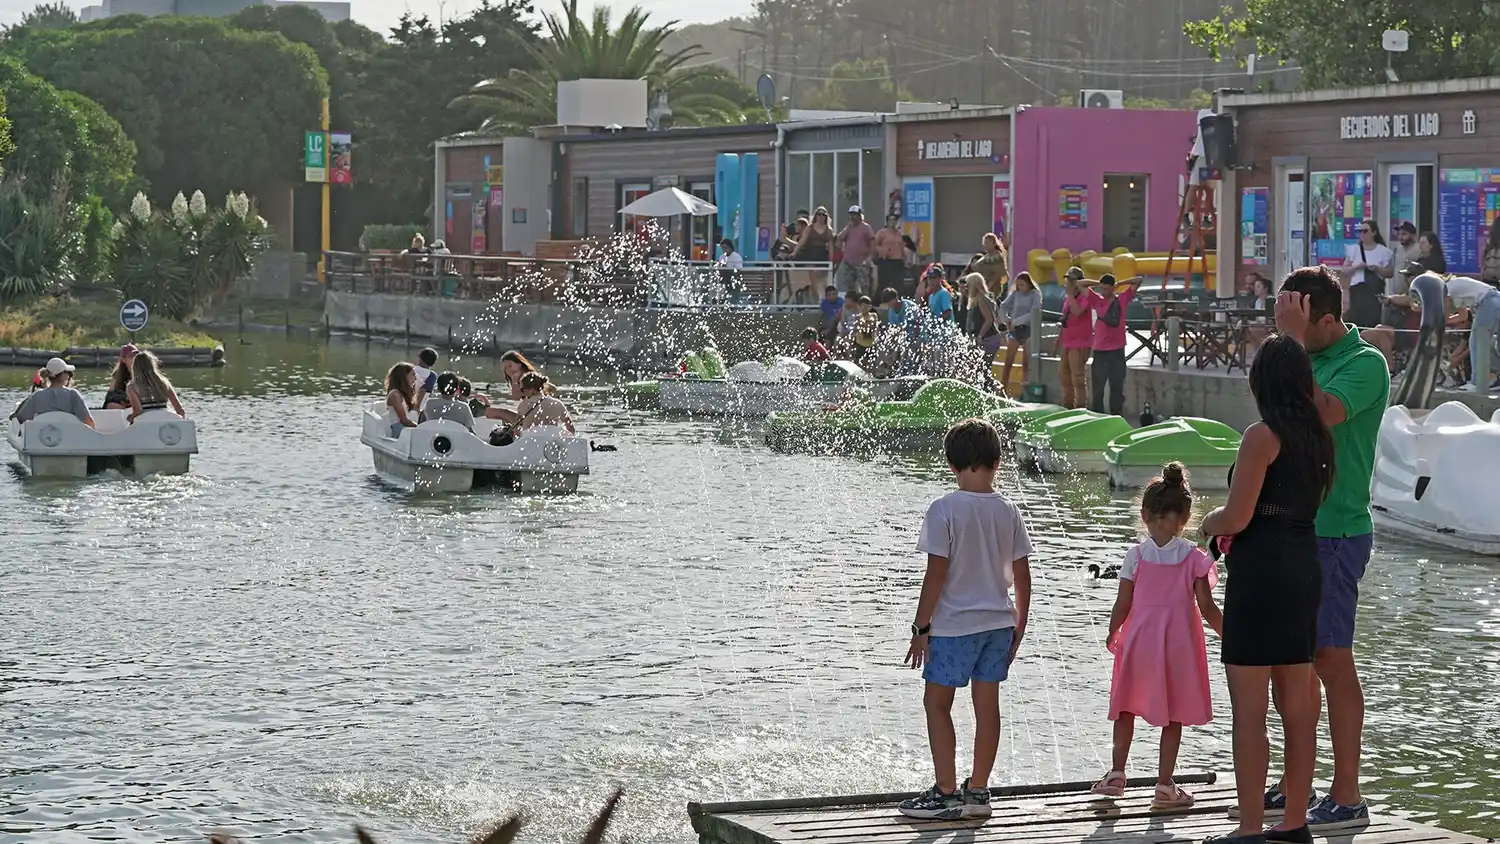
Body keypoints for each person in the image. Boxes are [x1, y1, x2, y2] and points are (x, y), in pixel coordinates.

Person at [1259, 266, 1389, 831]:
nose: (1290, 332)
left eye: (1299, 322)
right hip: (1287, 525)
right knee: (1290, 664)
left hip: (1335, 530)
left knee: (1331, 659)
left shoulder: (1365, 365)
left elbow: (1323, 415)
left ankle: (1347, 792)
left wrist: (1287, 344)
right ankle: (1296, 783)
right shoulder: (1301, 356)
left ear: (1329, 319)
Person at [1199, 333, 1335, 843]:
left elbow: (1238, 515)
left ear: (1261, 382)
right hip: (1304, 567)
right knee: (1299, 708)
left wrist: (1208, 523)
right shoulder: (1318, 436)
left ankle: (1251, 827)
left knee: (1250, 712)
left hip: (1261, 574)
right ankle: (1295, 820)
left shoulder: (1261, 435)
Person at [898, 419, 1032, 821]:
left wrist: (921, 628)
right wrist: (1019, 624)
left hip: (955, 627)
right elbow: (1022, 575)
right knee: (987, 707)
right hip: (998, 625)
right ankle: (978, 794)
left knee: (937, 703)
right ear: (997, 461)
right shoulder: (1008, 510)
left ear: (952, 464)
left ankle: (944, 791)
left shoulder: (944, 509)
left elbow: (936, 573)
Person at [1092, 463, 1223, 810]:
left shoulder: (1135, 556)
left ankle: (1117, 774)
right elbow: (1207, 608)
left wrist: (1112, 631)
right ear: (1186, 517)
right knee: (1173, 714)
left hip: (1138, 643)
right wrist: (1231, 635)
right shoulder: (1194, 558)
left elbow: (1123, 604)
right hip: (1179, 646)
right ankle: (1165, 786)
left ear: (1145, 514)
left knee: (1125, 707)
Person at [1088, 273, 1145, 417]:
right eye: (1102, 289)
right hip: (1100, 352)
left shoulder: (1122, 299)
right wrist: (1097, 282)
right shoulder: (1097, 300)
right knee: (1098, 388)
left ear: (1112, 289)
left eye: (1107, 289)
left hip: (1117, 351)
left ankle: (1116, 414)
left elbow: (1138, 280)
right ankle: (1097, 416)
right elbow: (1080, 284)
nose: (1103, 292)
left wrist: (1120, 283)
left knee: (1117, 387)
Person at [11, 358, 93, 426]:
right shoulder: (73, 394)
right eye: (68, 373)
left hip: (43, 439)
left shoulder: (37, 395)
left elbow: (21, 418)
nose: (69, 375)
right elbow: (88, 421)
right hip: (70, 439)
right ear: (63, 375)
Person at [1341, 220, 1391, 328]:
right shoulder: (1354, 250)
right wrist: (1357, 266)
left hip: (1374, 291)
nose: (1362, 234)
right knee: (1356, 319)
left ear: (1374, 232)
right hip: (1357, 290)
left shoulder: (1383, 251)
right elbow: (1344, 270)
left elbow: (1390, 273)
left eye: (1365, 231)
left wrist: (1377, 269)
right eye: (1360, 231)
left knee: (1372, 320)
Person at [1057, 267, 1094, 409]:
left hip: (1080, 343)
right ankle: (1067, 404)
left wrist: (1071, 296)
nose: (1069, 283)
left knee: (1077, 377)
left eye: (1072, 280)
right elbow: (1065, 319)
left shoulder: (1086, 295)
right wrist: (1057, 343)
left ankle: (1080, 406)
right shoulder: (1068, 299)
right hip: (1067, 342)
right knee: (1064, 376)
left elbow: (1078, 312)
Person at [998, 272, 1041, 389]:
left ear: (1028, 284)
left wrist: (1016, 321)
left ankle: (1024, 389)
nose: (1020, 287)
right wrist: (1006, 320)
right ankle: (1003, 388)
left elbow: (1033, 313)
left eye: (1022, 285)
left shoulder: (1035, 294)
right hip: (1015, 331)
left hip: (1028, 330)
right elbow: (1003, 306)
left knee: (1026, 363)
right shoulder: (1016, 294)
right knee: (1008, 362)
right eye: (1018, 285)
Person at [127, 350, 186, 422]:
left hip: (146, 422)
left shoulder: (132, 386)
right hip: (165, 419)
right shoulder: (164, 382)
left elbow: (138, 411)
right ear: (152, 365)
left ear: (135, 367)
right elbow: (179, 409)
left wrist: (129, 418)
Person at [792, 207, 835, 303]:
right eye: (819, 214)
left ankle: (823, 299)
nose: (821, 216)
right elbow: (802, 241)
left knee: (821, 279)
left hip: (822, 255)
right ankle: (817, 300)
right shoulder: (810, 228)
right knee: (813, 277)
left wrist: (831, 261)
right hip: (810, 254)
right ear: (815, 216)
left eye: (823, 214)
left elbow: (831, 246)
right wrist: (795, 251)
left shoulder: (828, 230)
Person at [963, 273, 1004, 365]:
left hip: (988, 338)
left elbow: (989, 319)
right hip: (984, 338)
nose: (966, 287)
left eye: (968, 284)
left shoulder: (981, 300)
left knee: (983, 368)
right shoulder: (975, 300)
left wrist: (980, 336)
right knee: (978, 368)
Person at [833, 205, 875, 294]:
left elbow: (872, 242)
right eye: (851, 214)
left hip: (861, 261)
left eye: (855, 214)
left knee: (864, 285)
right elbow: (839, 238)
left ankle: (865, 303)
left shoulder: (866, 227)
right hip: (848, 261)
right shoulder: (849, 227)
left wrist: (869, 257)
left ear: (860, 215)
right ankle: (852, 303)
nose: (852, 217)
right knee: (849, 285)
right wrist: (848, 228)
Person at [1382, 222, 1420, 296]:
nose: (1400, 237)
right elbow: (1391, 272)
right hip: (1398, 294)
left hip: (1413, 295)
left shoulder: (1419, 250)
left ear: (1413, 235)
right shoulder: (1398, 250)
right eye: (1399, 234)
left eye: (1404, 234)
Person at [384, 362, 420, 436]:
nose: (415, 378)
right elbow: (404, 420)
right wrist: (420, 428)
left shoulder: (402, 394)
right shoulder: (395, 395)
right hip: (399, 429)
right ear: (404, 377)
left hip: (404, 428)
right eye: (413, 375)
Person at [874, 215, 907, 291]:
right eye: (890, 220)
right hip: (887, 261)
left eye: (894, 220)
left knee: (898, 284)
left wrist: (905, 259)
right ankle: (879, 301)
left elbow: (901, 248)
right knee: (884, 284)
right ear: (887, 222)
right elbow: (874, 245)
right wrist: (883, 250)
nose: (892, 222)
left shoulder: (898, 234)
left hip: (898, 262)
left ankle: (896, 301)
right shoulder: (882, 232)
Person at [972, 233, 1010, 299]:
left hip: (992, 289)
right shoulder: (987, 256)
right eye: (985, 243)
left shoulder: (996, 256)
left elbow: (998, 273)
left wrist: (987, 287)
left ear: (994, 243)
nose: (986, 245)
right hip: (983, 287)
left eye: (988, 243)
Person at [103, 344, 139, 410]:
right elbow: (109, 397)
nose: (134, 358)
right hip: (125, 404)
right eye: (131, 356)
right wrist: (124, 399)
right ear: (123, 360)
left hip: (139, 402)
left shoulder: (143, 371)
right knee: (110, 405)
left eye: (136, 355)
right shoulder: (118, 374)